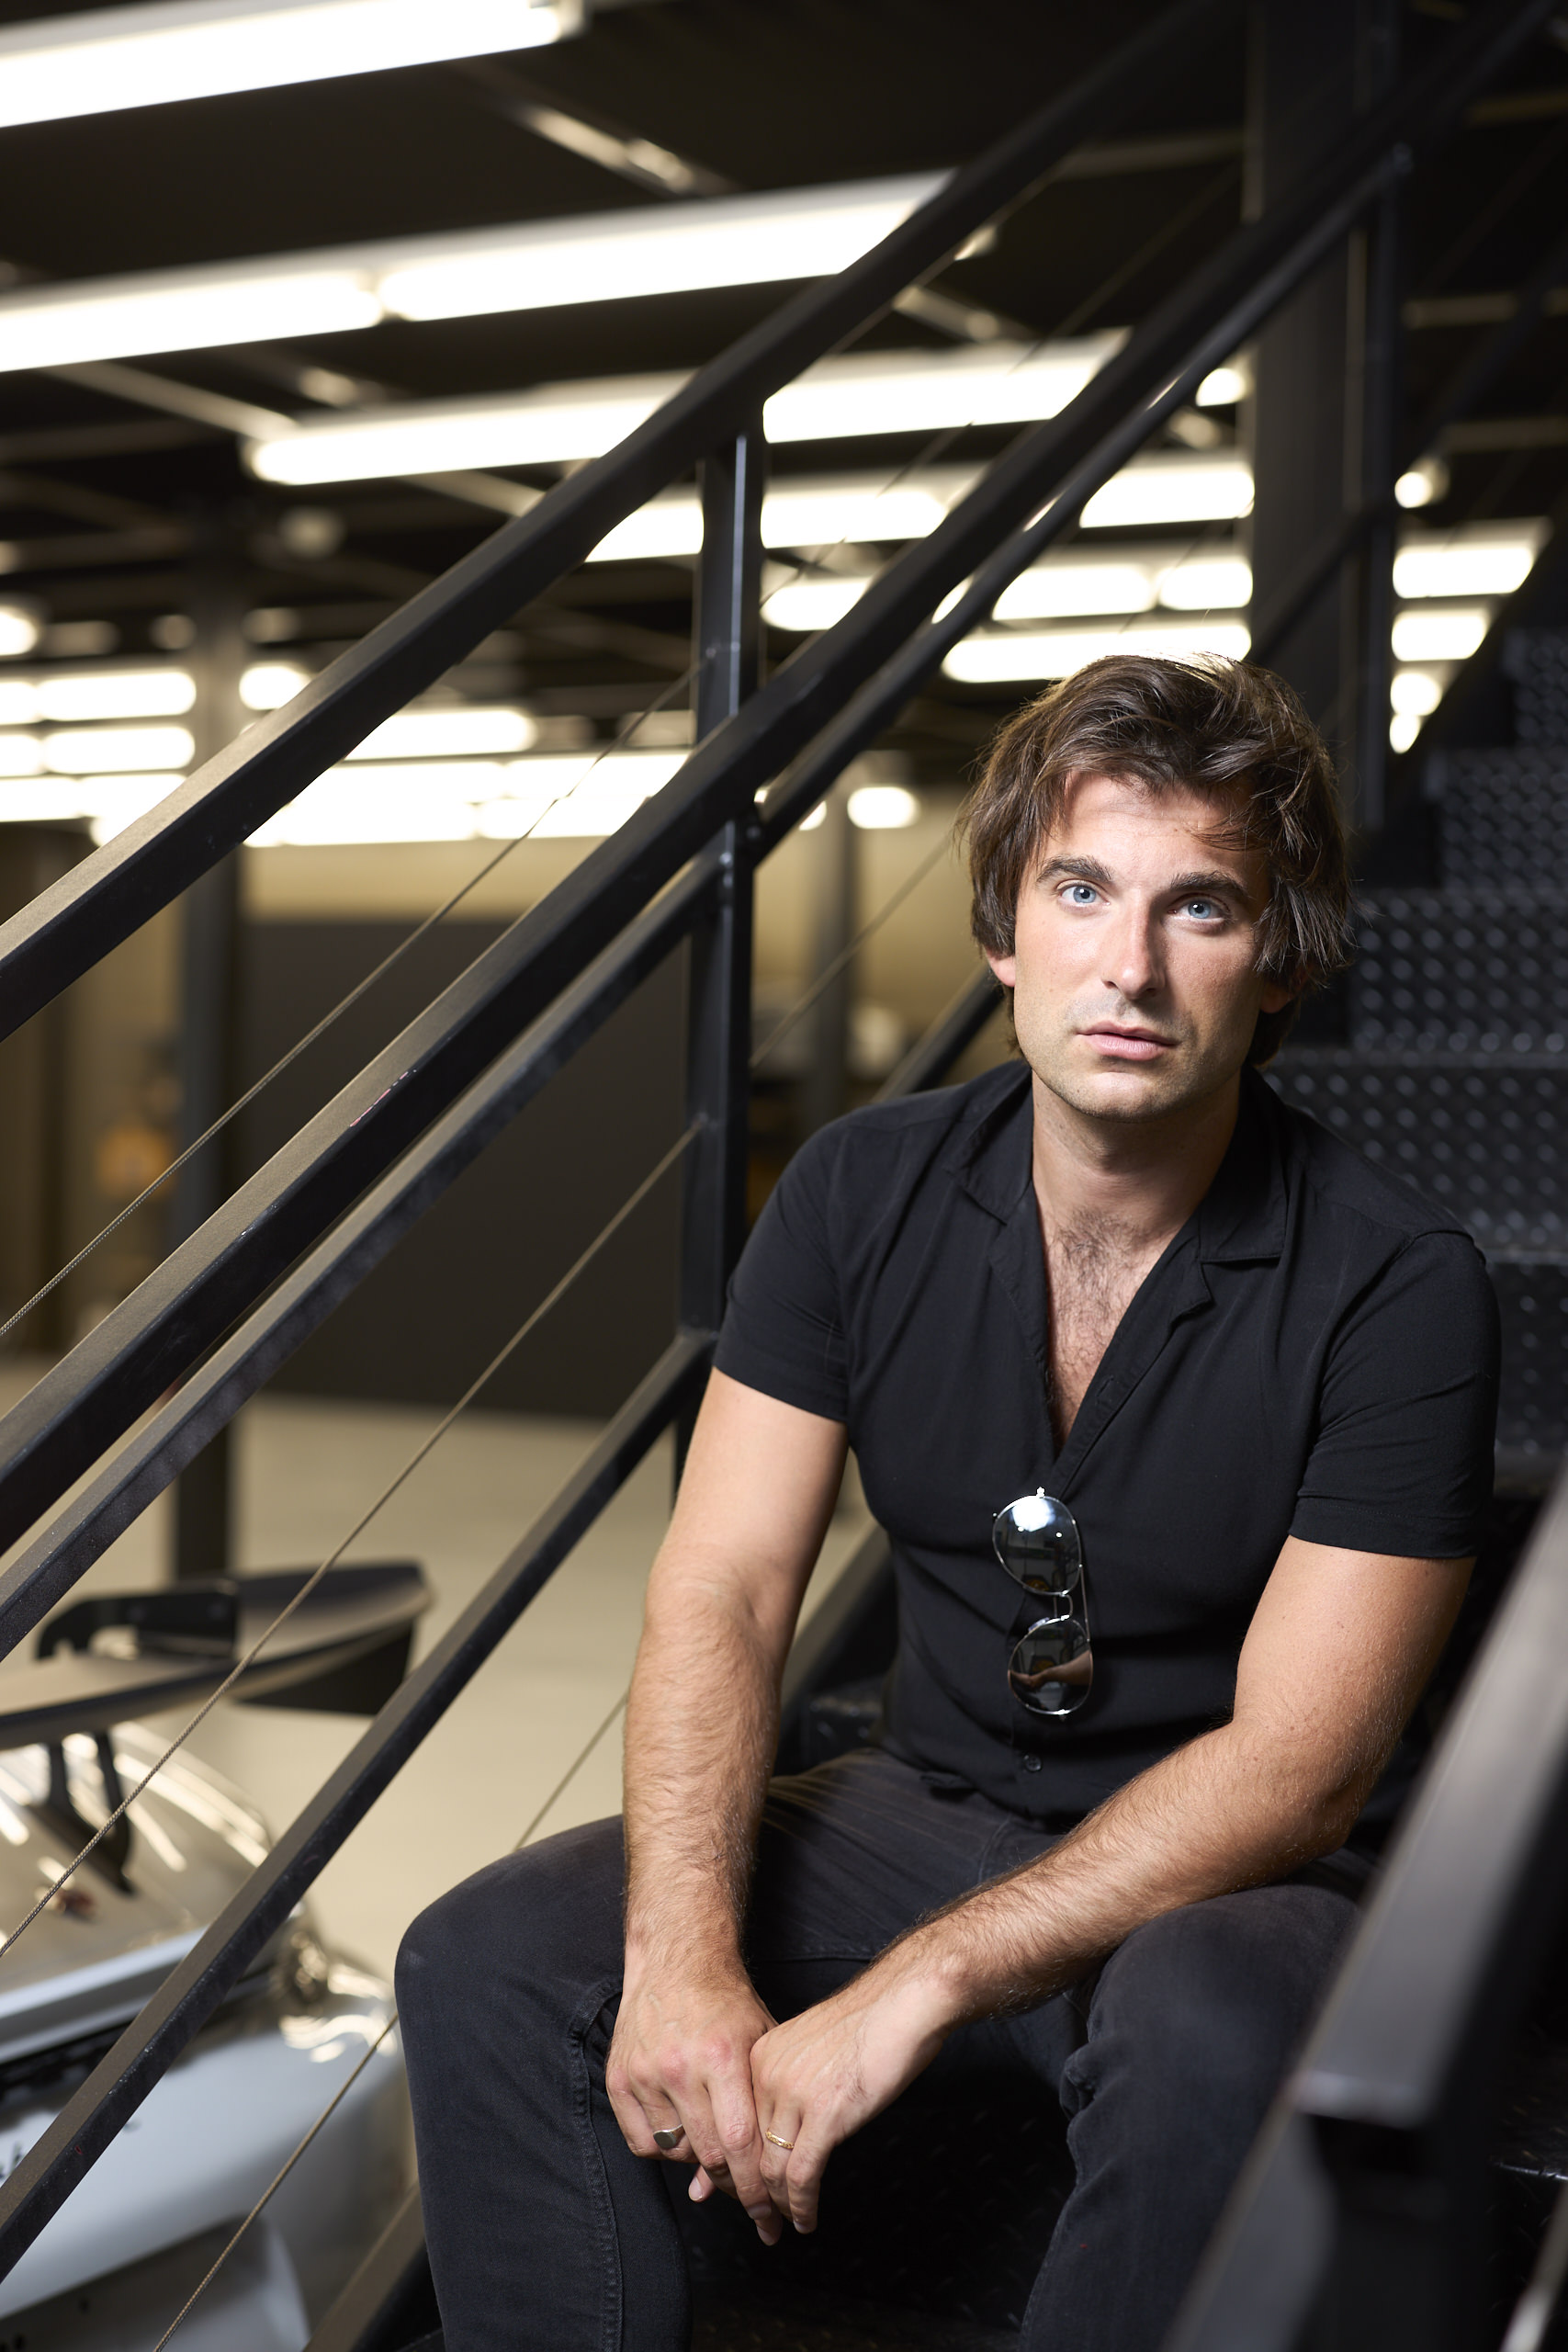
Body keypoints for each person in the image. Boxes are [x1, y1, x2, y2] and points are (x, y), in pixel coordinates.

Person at [397, 654, 1500, 2352]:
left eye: (1200, 908)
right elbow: (728, 1586)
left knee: (1211, 2023)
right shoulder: (857, 1192)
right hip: (925, 1803)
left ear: (1275, 966)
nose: (1129, 966)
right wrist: (687, 1958)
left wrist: (909, 1989)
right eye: (1082, 889)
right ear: (1004, 932)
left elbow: (1300, 1770)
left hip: (1233, 1874)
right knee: (491, 1959)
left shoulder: (1396, 1284)